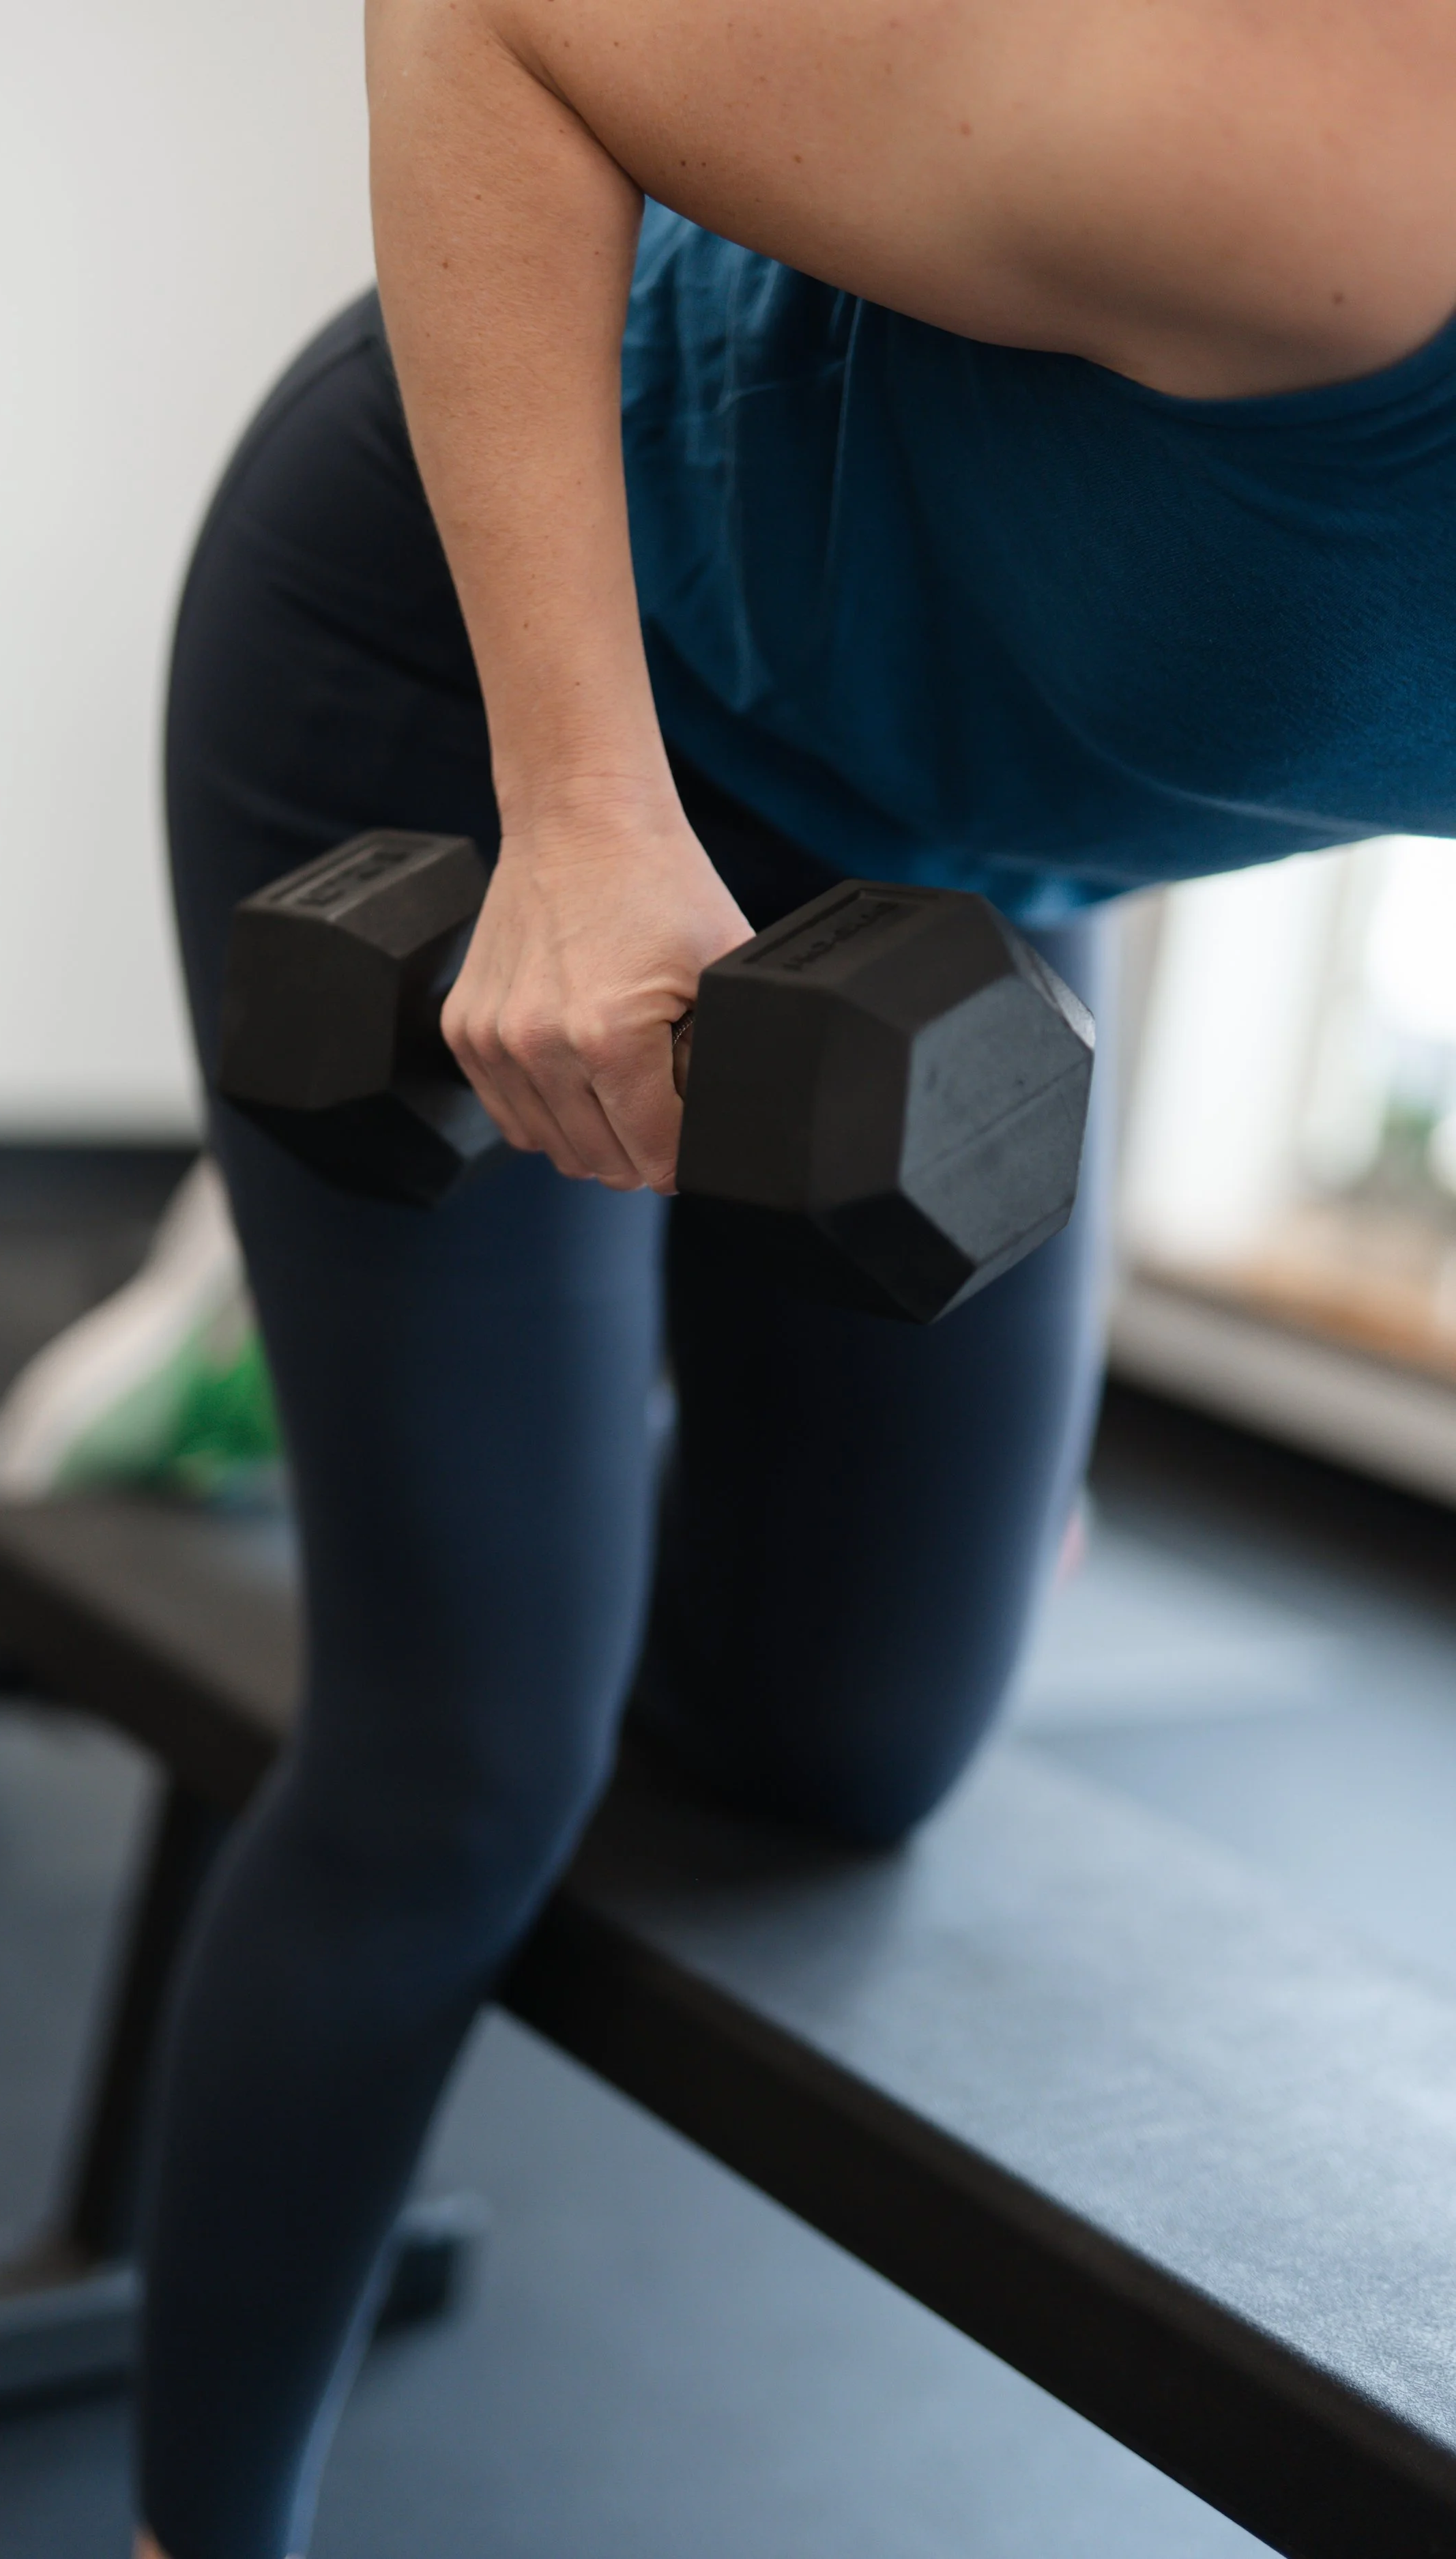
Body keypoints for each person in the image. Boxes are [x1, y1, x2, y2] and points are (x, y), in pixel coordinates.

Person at [132, 1, 1456, 2551]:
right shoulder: (1355, 141)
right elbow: (485, 20)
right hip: (498, 659)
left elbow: (1234, 640)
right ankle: (201, 2522)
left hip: (948, 862)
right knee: (458, 1766)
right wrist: (577, 810)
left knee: (848, 1753)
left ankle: (459, 1348)